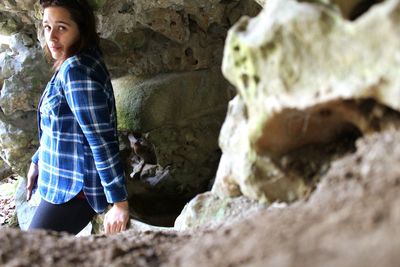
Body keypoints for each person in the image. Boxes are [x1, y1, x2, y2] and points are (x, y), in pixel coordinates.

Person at [26, 0, 129, 235]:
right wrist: (37, 160)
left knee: (29, 255)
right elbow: (59, 126)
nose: (51, 37)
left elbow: (101, 141)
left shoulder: (77, 71)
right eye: (47, 27)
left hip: (75, 188)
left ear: (81, 28)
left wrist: (119, 203)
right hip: (61, 179)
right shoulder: (76, 60)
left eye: (61, 27)